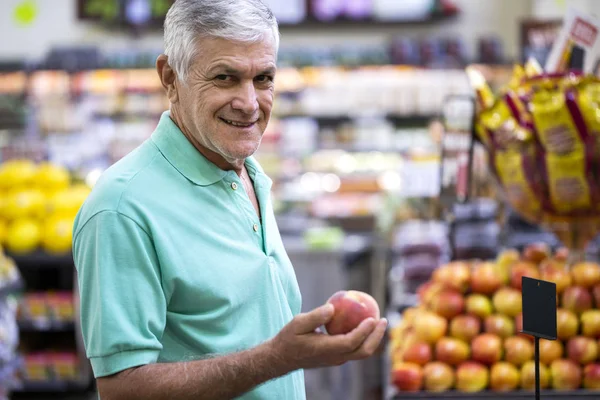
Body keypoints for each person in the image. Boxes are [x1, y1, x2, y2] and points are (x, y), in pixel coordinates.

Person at [72, 1, 388, 399]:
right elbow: (123, 390)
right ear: (170, 78)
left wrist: (298, 349)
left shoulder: (248, 174)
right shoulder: (121, 208)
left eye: (263, 78)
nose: (250, 102)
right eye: (225, 77)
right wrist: (277, 358)